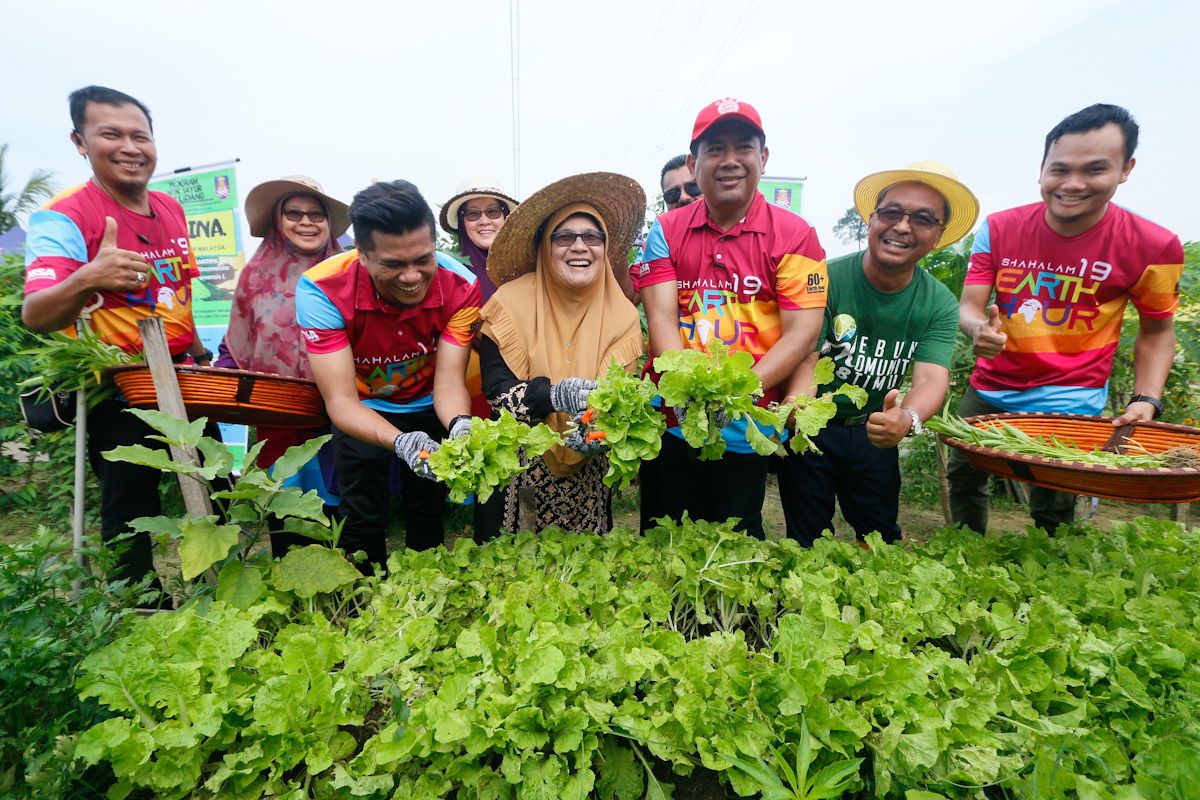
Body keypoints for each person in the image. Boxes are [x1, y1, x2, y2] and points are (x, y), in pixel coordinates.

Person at [951, 103, 1185, 534]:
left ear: (1126, 169)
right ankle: (962, 552)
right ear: (1041, 170)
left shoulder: (1153, 246)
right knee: (964, 476)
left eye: (1094, 169)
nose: (1073, 184)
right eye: (1059, 169)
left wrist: (1147, 398)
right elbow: (969, 306)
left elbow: (1157, 331)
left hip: (1071, 397)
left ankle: (1047, 566)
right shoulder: (999, 228)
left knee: (1055, 500)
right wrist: (977, 329)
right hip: (991, 385)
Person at [22, 85, 212, 587]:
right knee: (130, 506)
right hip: (119, 384)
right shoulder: (64, 215)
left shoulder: (169, 207)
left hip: (184, 376)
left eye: (140, 136)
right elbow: (36, 314)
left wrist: (200, 354)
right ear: (80, 142)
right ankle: (139, 603)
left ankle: (224, 588)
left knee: (216, 481)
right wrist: (88, 277)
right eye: (111, 134)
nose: (130, 147)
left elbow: (179, 293)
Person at [632, 98, 828, 538]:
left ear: (763, 157)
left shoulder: (797, 235)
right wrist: (688, 391)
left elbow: (802, 333)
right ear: (694, 163)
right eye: (715, 149)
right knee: (663, 537)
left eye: (743, 147)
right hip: (673, 422)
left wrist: (739, 392)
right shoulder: (665, 231)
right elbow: (661, 317)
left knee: (733, 542)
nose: (730, 160)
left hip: (746, 425)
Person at [778, 161, 978, 545]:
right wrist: (798, 403)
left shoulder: (938, 302)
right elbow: (807, 355)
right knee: (805, 539)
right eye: (891, 213)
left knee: (878, 538)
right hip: (814, 430)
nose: (902, 226)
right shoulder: (827, 278)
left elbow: (931, 378)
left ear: (938, 236)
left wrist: (908, 417)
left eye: (922, 219)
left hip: (875, 430)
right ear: (871, 220)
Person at [296, 180, 480, 573]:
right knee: (363, 516)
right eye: (394, 265)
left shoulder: (462, 286)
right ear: (362, 254)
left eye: (424, 259)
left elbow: (449, 383)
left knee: (427, 510)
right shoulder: (320, 289)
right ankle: (363, 598)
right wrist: (400, 441)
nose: (412, 277)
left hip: (429, 401)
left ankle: (428, 592)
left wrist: (460, 425)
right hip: (362, 408)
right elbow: (340, 401)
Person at [474, 172, 645, 538]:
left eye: (592, 237)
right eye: (564, 237)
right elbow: (497, 393)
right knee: (511, 566)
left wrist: (597, 428)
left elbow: (620, 400)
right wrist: (552, 395)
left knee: (582, 566)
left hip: (589, 475)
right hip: (517, 464)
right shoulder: (508, 304)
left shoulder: (624, 317)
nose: (579, 247)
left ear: (605, 247)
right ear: (544, 247)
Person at [214, 175, 350, 555]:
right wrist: (223, 377)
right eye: (294, 213)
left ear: (328, 222)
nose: (306, 222)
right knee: (283, 497)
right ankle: (288, 572)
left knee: (338, 501)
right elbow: (237, 340)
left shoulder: (348, 273)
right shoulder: (254, 277)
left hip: (340, 411)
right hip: (278, 412)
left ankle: (345, 574)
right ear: (278, 219)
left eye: (316, 214)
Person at [439, 178, 518, 303]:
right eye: (473, 214)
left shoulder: (529, 270)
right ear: (462, 222)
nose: (484, 221)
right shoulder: (447, 276)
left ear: (506, 217)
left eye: (493, 212)